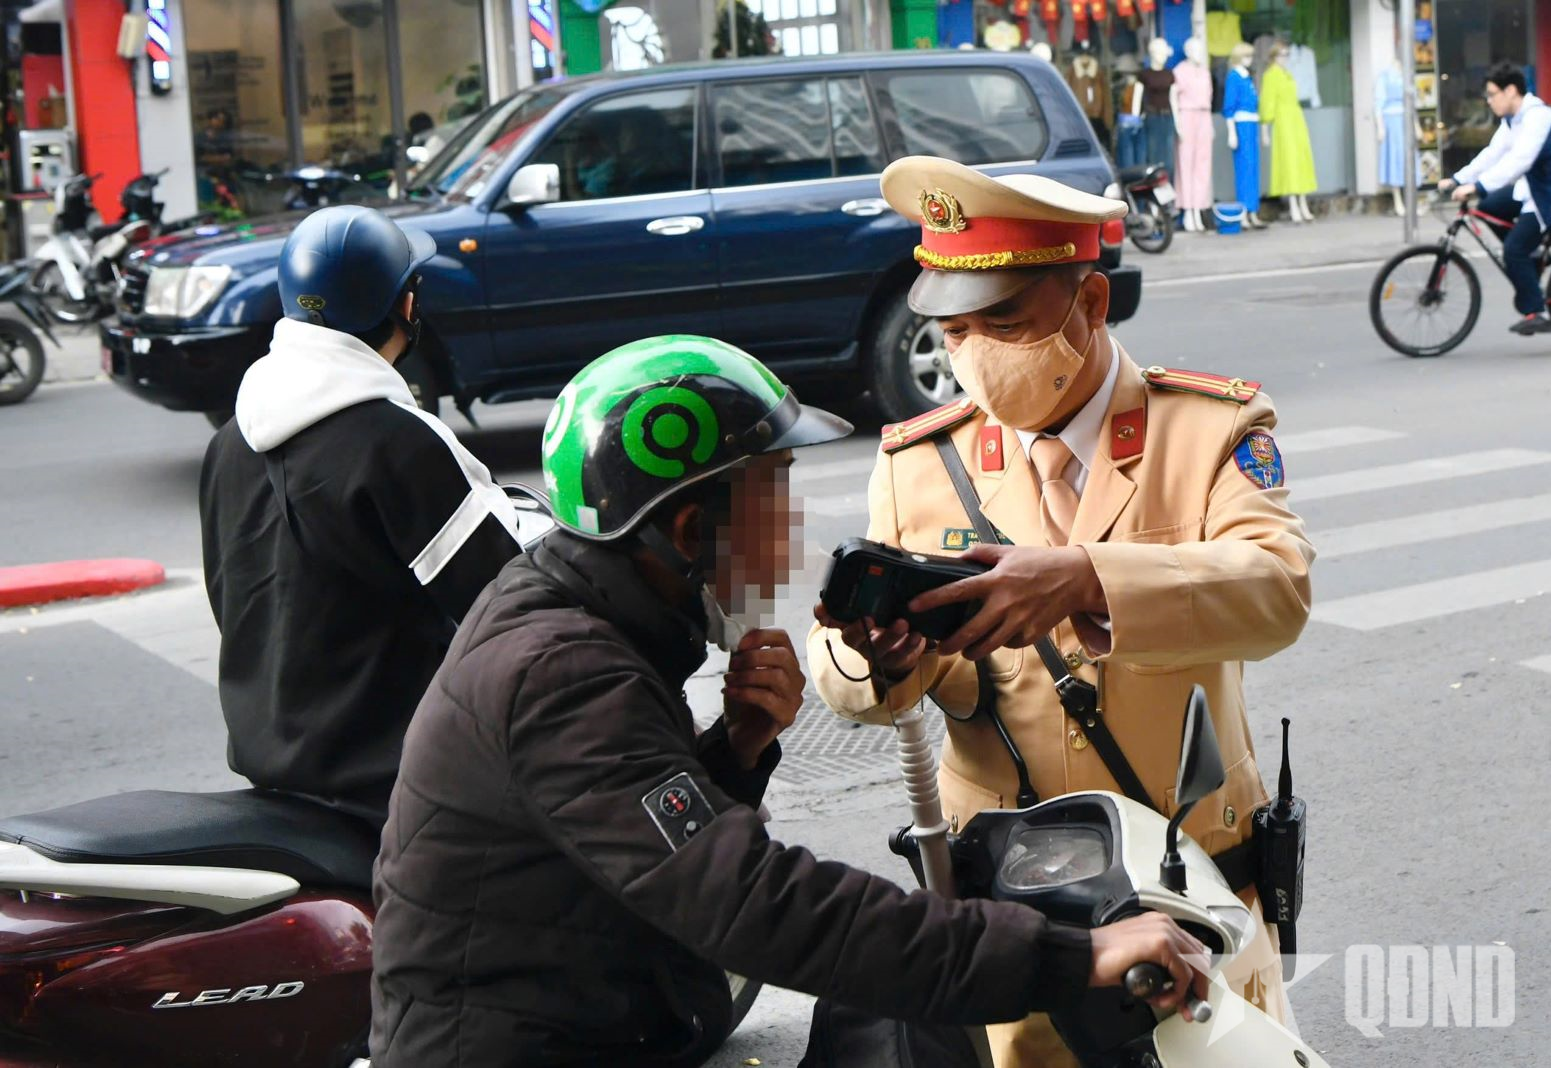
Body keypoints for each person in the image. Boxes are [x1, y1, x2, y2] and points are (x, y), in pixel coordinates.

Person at [369, 335, 1211, 1067]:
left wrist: (731, 753)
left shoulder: (577, 616)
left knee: (881, 1012)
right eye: (773, 496)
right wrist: (1071, 956)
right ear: (693, 532)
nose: (791, 526)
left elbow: (626, 842)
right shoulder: (561, 674)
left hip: (590, 1019)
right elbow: (755, 902)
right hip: (524, 1049)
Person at [808, 156, 1315, 1068]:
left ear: (1088, 304)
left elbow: (1275, 592)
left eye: (1003, 321)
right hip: (1019, 916)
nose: (972, 354)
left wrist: (1086, 578)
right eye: (953, 328)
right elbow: (858, 682)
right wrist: (881, 659)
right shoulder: (919, 462)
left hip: (1191, 892)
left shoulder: (1207, 429)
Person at [199, 205, 540, 827]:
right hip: (397, 775)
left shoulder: (230, 442)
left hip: (273, 758)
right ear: (407, 305)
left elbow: (231, 596)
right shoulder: (397, 442)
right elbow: (509, 599)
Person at [1439, 61, 1551, 335]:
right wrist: (1460, 179)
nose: (1489, 101)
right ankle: (1536, 252)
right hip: (1531, 188)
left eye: (1493, 94)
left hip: (1550, 193)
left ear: (1511, 91)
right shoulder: (1512, 120)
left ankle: (1536, 311)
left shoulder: (1537, 117)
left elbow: (1519, 161)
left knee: (1514, 250)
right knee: (1489, 207)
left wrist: (1479, 186)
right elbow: (1493, 154)